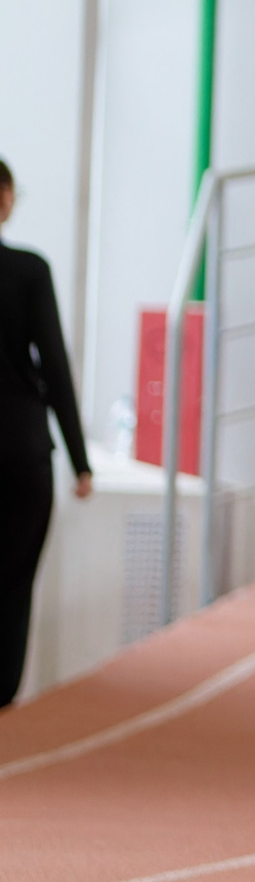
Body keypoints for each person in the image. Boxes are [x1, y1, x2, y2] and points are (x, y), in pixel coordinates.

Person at [0, 161, 91, 707]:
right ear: (5, 198)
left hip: (17, 447)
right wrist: (81, 461)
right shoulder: (29, 271)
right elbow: (54, 366)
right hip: (17, 449)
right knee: (10, 588)